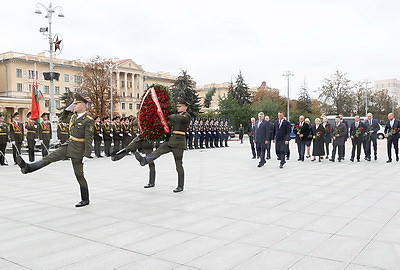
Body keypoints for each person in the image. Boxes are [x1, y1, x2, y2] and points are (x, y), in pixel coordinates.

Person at [16, 93, 94, 207]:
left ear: (83, 105)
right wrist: (67, 110)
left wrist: (87, 154)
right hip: (68, 144)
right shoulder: (73, 116)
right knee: (50, 157)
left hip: (78, 149)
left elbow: (89, 138)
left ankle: (85, 199)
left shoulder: (88, 120)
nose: (74, 106)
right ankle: (28, 168)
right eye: (74, 104)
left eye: (76, 104)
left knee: (79, 174)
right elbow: (62, 119)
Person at [134, 97, 191, 193]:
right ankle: (145, 160)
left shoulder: (186, 116)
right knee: (159, 150)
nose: (177, 107)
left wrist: (166, 114)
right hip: (171, 141)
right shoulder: (176, 116)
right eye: (177, 106)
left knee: (178, 164)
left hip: (179, 143)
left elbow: (176, 118)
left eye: (179, 106)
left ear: (185, 107)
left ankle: (180, 186)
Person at [111, 118, 156, 188]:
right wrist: (140, 118)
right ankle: (117, 156)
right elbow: (134, 123)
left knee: (150, 161)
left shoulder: (152, 118)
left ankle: (151, 182)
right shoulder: (140, 117)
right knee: (128, 148)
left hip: (148, 141)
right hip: (139, 139)